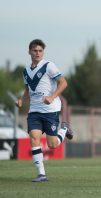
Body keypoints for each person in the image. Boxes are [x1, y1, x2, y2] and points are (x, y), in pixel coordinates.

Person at [15, 39, 74, 182]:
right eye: (35, 50)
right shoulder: (25, 71)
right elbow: (28, 89)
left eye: (40, 51)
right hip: (34, 111)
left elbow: (63, 82)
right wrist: (22, 99)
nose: (37, 53)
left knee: (52, 145)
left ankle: (64, 129)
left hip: (50, 110)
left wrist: (52, 96)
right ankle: (41, 174)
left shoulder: (49, 66)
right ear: (29, 51)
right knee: (34, 138)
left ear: (43, 52)